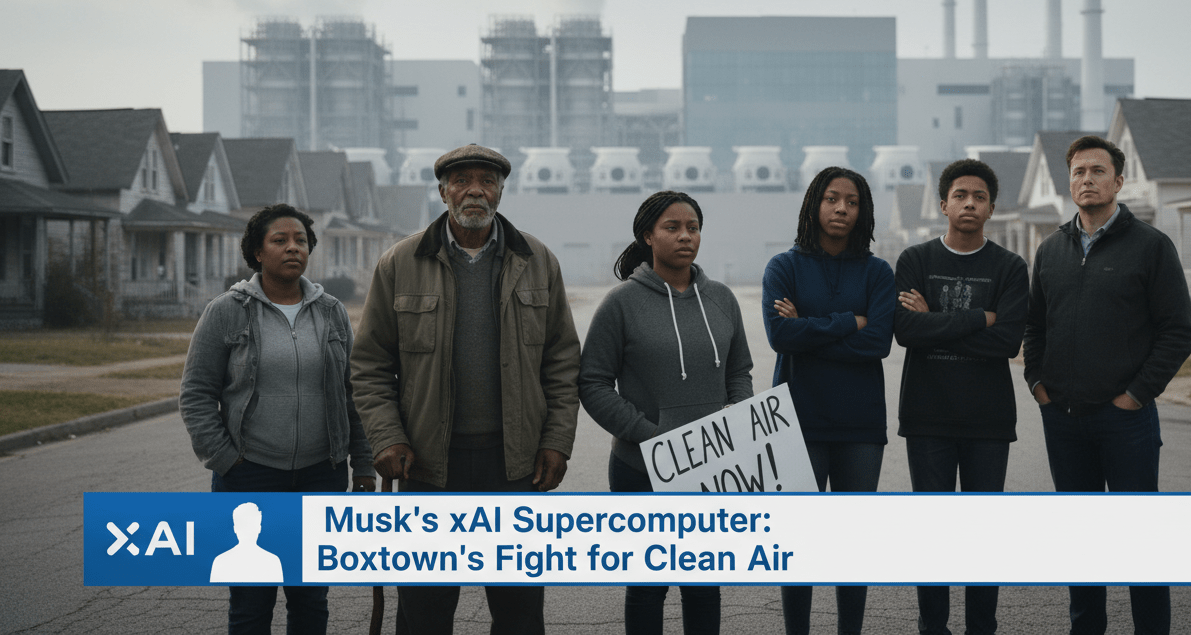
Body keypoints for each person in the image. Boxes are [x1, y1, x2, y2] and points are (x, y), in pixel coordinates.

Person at [350, 144, 581, 635]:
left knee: (519, 613)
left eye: (486, 180)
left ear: (500, 190)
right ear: (442, 191)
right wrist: (387, 437)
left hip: (515, 466)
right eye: (462, 180)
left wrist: (557, 441)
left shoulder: (538, 261)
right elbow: (370, 365)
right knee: (425, 613)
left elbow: (562, 362)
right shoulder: (400, 263)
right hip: (430, 468)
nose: (474, 189)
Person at [1023, 135, 1191, 635]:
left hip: (1126, 421)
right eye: (1078, 172)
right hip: (1064, 419)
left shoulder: (1150, 246)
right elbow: (1035, 327)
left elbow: (1178, 331)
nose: (1087, 180)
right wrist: (1038, 383)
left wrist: (1135, 395)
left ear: (1119, 181)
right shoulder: (1050, 250)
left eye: (1098, 171)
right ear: (1069, 182)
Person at [181, 203, 376, 635]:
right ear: (256, 253)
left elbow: (353, 395)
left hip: (319, 476)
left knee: (310, 600)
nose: (293, 248)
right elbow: (196, 394)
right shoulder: (227, 310)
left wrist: (362, 466)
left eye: (301, 240)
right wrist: (227, 460)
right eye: (279, 240)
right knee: (251, 605)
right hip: (249, 476)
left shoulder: (331, 312)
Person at [579, 191, 755, 635]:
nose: (685, 237)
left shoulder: (721, 298)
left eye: (693, 227)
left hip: (709, 469)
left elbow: (739, 370)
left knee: (703, 587)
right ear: (647, 236)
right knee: (646, 587)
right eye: (672, 228)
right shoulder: (621, 303)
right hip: (642, 467)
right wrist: (647, 433)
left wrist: (736, 420)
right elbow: (593, 382)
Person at [893, 159, 1029, 635]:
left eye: (979, 197)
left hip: (988, 422)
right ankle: (933, 627)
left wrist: (936, 322)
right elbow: (907, 331)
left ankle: (981, 628)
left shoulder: (1010, 267)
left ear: (992, 207)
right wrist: (980, 318)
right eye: (960, 195)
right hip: (927, 418)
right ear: (943, 203)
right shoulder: (916, 260)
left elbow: (1008, 342)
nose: (969, 203)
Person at [762, 166, 897, 635]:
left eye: (852, 201)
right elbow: (781, 335)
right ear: (814, 205)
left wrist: (811, 327)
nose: (841, 209)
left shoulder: (878, 272)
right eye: (832, 199)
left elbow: (879, 342)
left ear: (864, 211)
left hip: (860, 425)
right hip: (797, 421)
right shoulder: (783, 267)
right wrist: (849, 322)